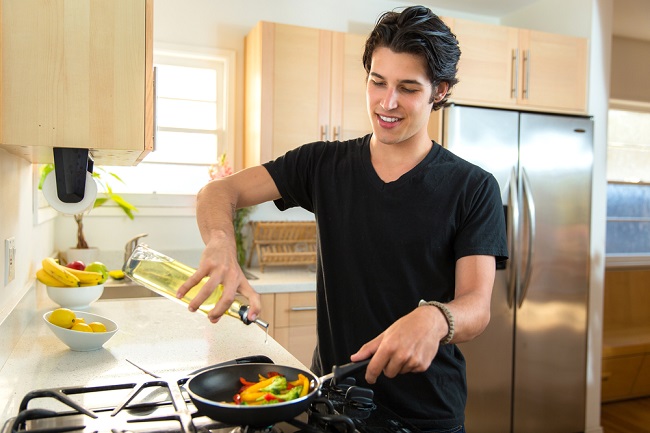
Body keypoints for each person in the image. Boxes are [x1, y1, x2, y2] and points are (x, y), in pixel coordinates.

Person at [178, 5, 508, 432]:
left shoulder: (473, 187)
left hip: (427, 415)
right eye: (377, 82)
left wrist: (435, 317)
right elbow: (218, 192)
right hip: (334, 403)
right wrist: (220, 242)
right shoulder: (323, 164)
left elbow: (476, 307)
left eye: (408, 88)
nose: (387, 103)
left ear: (439, 91)